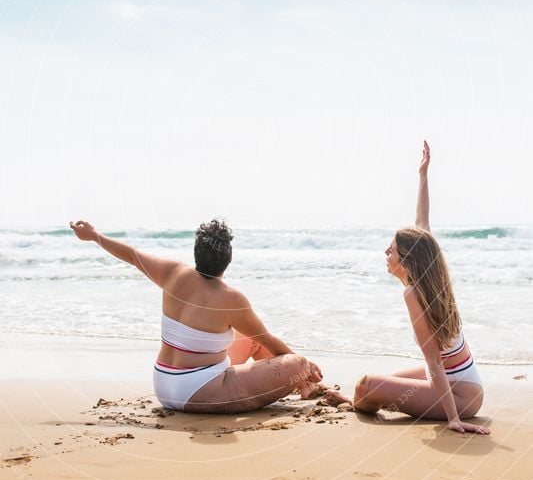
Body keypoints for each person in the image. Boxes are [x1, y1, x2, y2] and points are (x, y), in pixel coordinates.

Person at [70, 218, 322, 413]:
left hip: (163, 384)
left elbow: (133, 256)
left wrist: (93, 236)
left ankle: (305, 386)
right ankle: (308, 383)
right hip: (199, 392)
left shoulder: (172, 272)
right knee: (295, 363)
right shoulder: (231, 299)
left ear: (196, 253)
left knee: (251, 339)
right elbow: (271, 342)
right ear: (229, 258)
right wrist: (305, 367)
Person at [326, 141, 490, 435]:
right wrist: (423, 175)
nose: (385, 254)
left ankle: (357, 401)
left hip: (460, 397)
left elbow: (434, 363)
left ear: (408, 261)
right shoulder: (430, 276)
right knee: (377, 385)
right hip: (464, 383)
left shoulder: (414, 293)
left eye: (391, 251)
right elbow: (421, 224)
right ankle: (357, 401)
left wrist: (452, 418)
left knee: (367, 385)